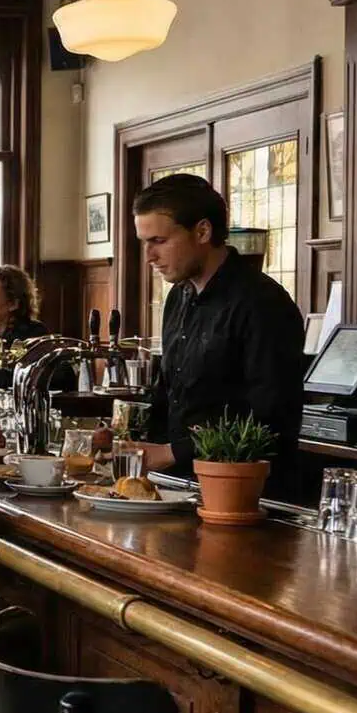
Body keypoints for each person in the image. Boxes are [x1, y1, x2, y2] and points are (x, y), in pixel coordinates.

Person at [132, 173, 306, 489]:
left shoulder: (263, 303)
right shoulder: (178, 296)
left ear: (202, 231)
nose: (149, 257)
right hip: (178, 486)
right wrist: (127, 436)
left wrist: (171, 452)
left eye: (159, 241)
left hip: (244, 493)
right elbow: (168, 393)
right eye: (145, 243)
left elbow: (268, 420)